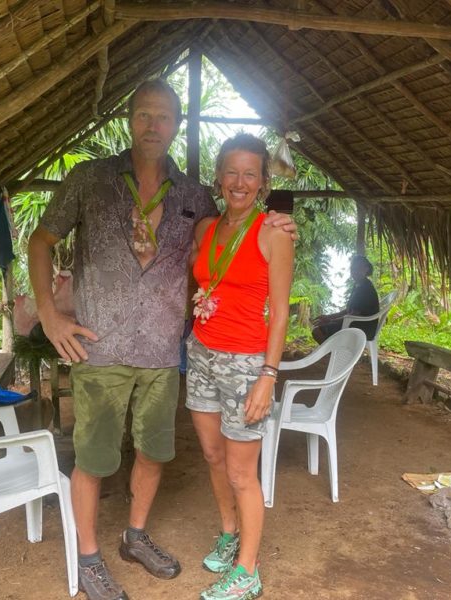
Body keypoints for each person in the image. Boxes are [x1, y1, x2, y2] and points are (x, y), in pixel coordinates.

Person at [28, 80, 297, 600]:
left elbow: (239, 247)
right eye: (144, 116)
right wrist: (48, 314)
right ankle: (88, 559)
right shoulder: (90, 179)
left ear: (176, 125)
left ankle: (134, 536)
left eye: (164, 117)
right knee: (94, 459)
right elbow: (42, 240)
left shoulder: (195, 197)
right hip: (99, 348)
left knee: (153, 452)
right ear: (130, 119)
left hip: (162, 355)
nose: (154, 126)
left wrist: (278, 219)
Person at [186, 133, 294, 600]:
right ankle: (229, 535)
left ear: (264, 183)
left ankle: (247, 571)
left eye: (250, 174)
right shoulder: (206, 229)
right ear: (218, 177)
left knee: (241, 473)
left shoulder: (274, 232)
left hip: (247, 362)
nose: (239, 182)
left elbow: (282, 312)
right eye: (232, 171)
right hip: (201, 351)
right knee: (212, 457)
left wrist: (268, 377)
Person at [311, 254, 379, 344]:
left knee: (317, 331)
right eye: (353, 269)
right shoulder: (358, 285)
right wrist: (328, 317)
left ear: (366, 269)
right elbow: (348, 310)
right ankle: (335, 353)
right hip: (355, 323)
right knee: (320, 327)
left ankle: (332, 354)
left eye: (358, 268)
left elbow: (354, 315)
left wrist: (331, 320)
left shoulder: (366, 289)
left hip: (362, 328)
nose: (354, 271)